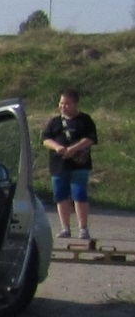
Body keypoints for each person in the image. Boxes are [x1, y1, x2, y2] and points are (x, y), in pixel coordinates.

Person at [42, 87, 98, 241]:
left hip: (80, 164)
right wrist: (57, 147)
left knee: (79, 194)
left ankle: (83, 228)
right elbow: (46, 139)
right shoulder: (54, 122)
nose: (63, 107)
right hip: (58, 164)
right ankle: (65, 227)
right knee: (61, 196)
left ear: (75, 104)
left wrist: (74, 149)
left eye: (66, 104)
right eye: (61, 103)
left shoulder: (85, 120)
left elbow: (90, 138)